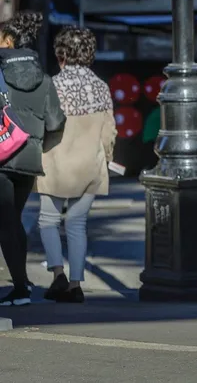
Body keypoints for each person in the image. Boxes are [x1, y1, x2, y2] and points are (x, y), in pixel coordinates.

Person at [35, 27, 117, 303]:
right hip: (89, 165)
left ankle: (57, 272)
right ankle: (76, 283)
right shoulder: (101, 88)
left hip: (55, 162)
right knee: (77, 224)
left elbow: (43, 126)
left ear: (61, 55)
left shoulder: (52, 86)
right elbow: (109, 132)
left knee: (48, 221)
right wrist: (106, 156)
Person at [0, 12, 66, 306]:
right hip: (28, 157)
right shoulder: (45, 79)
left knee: (6, 222)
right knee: (13, 220)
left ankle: (20, 288)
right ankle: (21, 283)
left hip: (0, 156)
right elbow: (55, 122)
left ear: (9, 41)